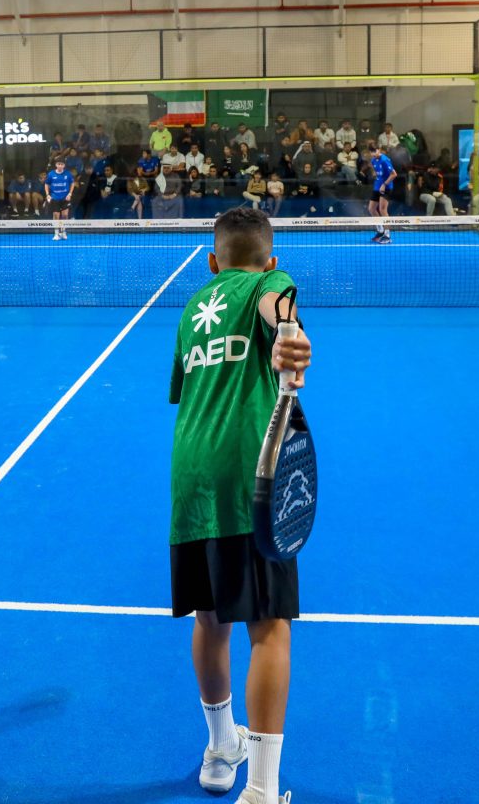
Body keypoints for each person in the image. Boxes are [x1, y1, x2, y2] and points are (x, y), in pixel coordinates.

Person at [168, 207, 311, 804]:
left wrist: (283, 334)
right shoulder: (270, 282)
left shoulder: (190, 310)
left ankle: (222, 745)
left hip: (190, 479)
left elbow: (186, 391)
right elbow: (279, 308)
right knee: (269, 626)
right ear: (270, 258)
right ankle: (262, 790)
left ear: (212, 261)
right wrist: (289, 333)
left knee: (209, 618)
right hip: (250, 480)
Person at [368, 145, 396, 243]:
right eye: (371, 152)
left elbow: (394, 174)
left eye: (374, 151)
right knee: (371, 209)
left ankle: (387, 236)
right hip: (377, 187)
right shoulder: (373, 160)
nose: (373, 153)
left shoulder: (385, 160)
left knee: (382, 210)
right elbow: (377, 172)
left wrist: (384, 184)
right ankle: (380, 231)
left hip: (386, 187)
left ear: (378, 150)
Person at [44, 156, 75, 239]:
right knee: (56, 216)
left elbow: (72, 183)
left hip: (65, 198)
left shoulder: (68, 174)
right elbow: (46, 184)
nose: (60, 166)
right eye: (58, 164)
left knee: (65, 215)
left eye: (62, 164)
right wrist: (47, 194)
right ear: (56, 165)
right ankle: (56, 233)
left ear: (64, 165)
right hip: (55, 198)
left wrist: (70, 194)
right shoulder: (51, 174)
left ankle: (63, 232)